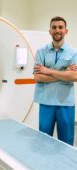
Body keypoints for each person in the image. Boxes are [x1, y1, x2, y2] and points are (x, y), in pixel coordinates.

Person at [33, 16, 77, 145]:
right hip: (46, 101)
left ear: (66, 31)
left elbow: (74, 77)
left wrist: (49, 71)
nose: (57, 30)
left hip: (66, 102)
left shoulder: (74, 52)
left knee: (66, 140)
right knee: (44, 140)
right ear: (50, 31)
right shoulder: (41, 52)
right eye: (54, 27)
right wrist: (64, 72)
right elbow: (38, 77)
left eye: (60, 27)